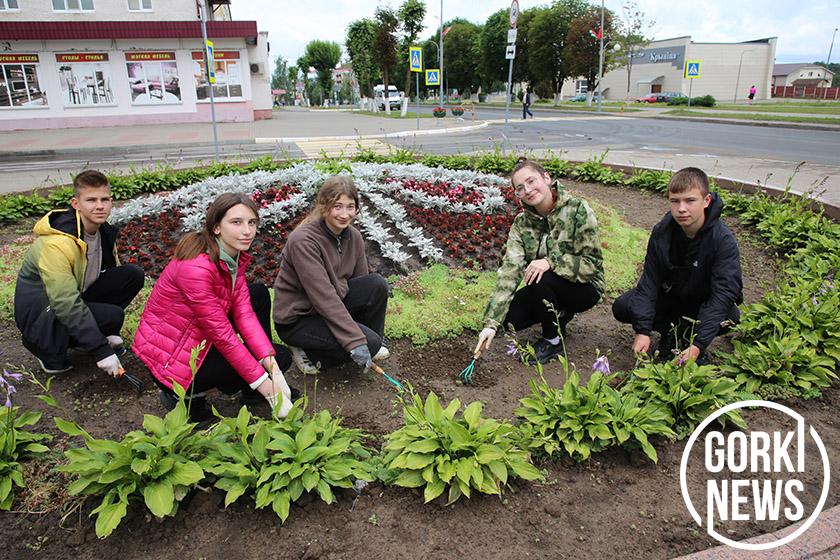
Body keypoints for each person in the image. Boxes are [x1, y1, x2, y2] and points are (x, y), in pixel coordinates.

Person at [132, 193, 296, 420]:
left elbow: (245, 315)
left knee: (260, 303)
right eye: (236, 222)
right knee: (278, 356)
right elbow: (222, 334)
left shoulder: (231, 257)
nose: (247, 231)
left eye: (252, 222)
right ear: (217, 227)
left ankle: (253, 389)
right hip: (171, 359)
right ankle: (185, 397)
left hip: (197, 338)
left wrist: (273, 369)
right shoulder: (196, 269)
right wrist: (269, 390)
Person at [475, 158, 605, 364]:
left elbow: (591, 264)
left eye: (531, 181)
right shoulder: (522, 224)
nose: (527, 190)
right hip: (546, 285)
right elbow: (510, 271)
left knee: (539, 274)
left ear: (546, 178)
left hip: (585, 288)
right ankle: (559, 316)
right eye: (520, 188)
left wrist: (550, 262)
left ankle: (553, 341)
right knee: (509, 320)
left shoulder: (578, 210)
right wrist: (491, 324)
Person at [14, 169, 144, 376]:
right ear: (76, 204)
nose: (100, 206)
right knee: (110, 316)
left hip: (72, 298)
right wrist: (101, 349)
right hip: (42, 317)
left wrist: (103, 334)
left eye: (105, 199)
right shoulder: (57, 244)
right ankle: (46, 348)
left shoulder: (103, 232)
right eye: (91, 200)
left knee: (131, 276)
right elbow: (64, 302)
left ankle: (85, 337)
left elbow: (105, 274)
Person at [612, 167, 743, 364]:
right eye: (675, 201)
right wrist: (642, 330)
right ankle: (669, 336)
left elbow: (724, 294)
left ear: (706, 201)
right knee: (624, 306)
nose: (681, 208)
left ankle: (691, 342)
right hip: (671, 298)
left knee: (729, 316)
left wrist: (699, 344)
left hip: (701, 304)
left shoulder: (722, 240)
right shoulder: (662, 232)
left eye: (690, 200)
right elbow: (649, 281)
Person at [273, 176, 390, 376]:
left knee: (376, 284)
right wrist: (355, 340)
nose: (345, 214)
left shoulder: (353, 236)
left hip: (329, 307)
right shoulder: (304, 241)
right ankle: (307, 351)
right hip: (299, 320)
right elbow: (323, 297)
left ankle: (370, 345)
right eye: (337, 206)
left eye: (350, 207)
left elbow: (360, 283)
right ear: (323, 206)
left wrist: (357, 334)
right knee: (366, 342)